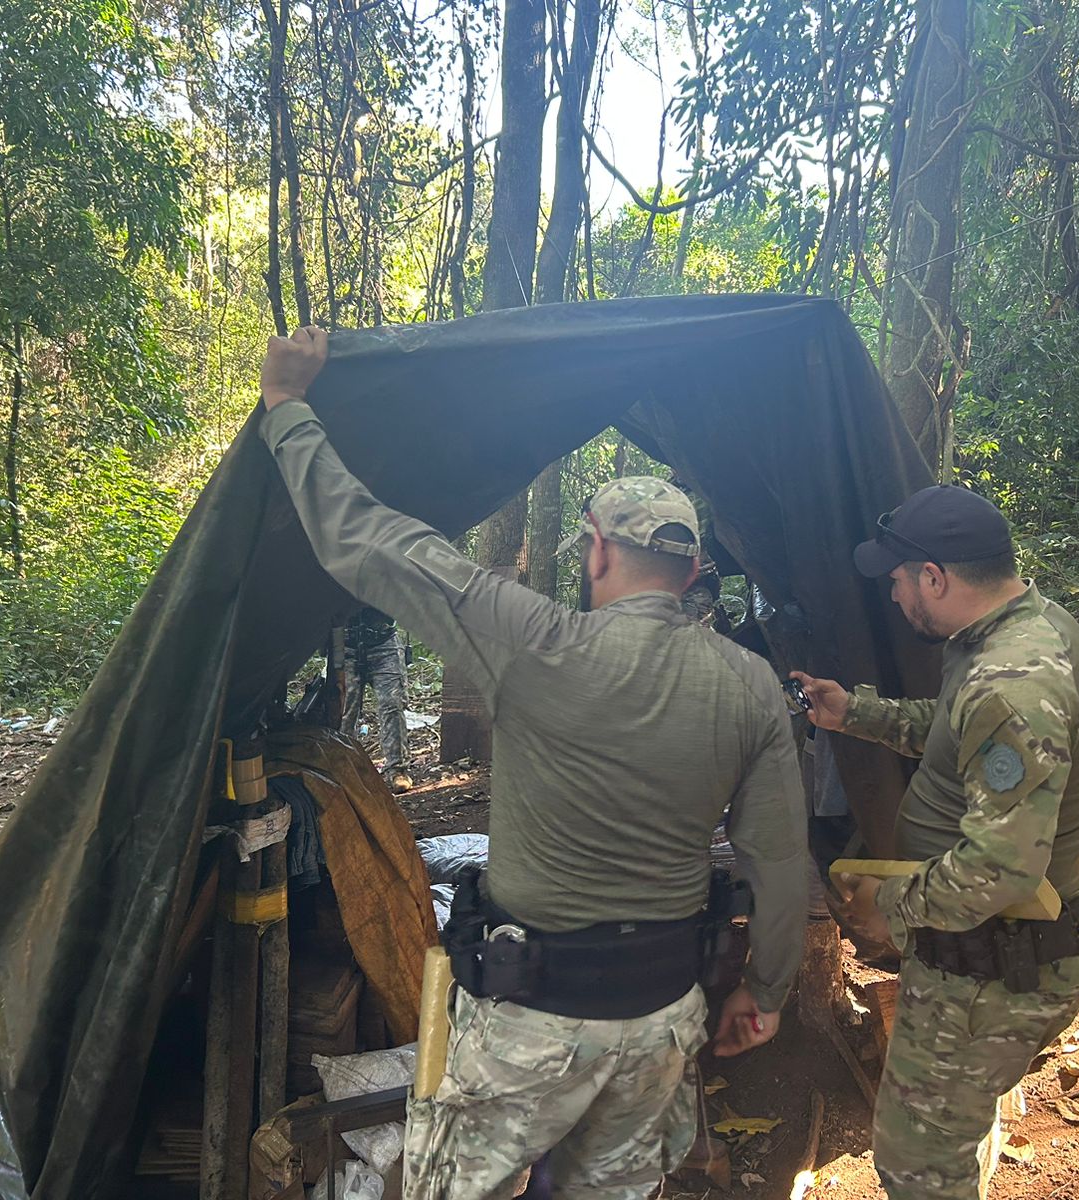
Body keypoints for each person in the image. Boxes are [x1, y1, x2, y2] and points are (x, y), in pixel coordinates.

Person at [257, 327, 807, 1200]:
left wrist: (286, 409)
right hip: (663, 1018)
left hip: (528, 1022)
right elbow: (780, 864)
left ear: (593, 551)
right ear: (695, 569)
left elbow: (363, 538)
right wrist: (768, 991)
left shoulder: (530, 642)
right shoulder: (751, 686)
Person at [790, 484, 1079, 1200]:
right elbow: (955, 731)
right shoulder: (1013, 632)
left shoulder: (1012, 679)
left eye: (900, 581)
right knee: (948, 1140)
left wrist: (890, 906)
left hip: (997, 965)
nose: (897, 597)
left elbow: (1001, 867)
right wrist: (858, 713)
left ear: (934, 576)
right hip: (993, 949)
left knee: (916, 1165)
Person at [341, 606, 413, 791]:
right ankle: (342, 770)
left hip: (384, 641)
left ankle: (397, 771)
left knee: (392, 705)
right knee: (345, 712)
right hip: (345, 645)